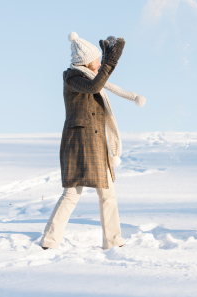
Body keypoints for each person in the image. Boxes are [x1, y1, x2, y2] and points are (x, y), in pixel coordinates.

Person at [40, 32, 146, 250]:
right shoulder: (72, 77)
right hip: (78, 143)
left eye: (101, 59)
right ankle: (49, 242)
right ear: (86, 62)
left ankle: (113, 241)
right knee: (72, 194)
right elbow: (94, 87)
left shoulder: (91, 76)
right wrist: (109, 63)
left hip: (97, 143)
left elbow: (100, 82)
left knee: (108, 194)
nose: (99, 63)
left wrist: (109, 64)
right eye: (97, 60)